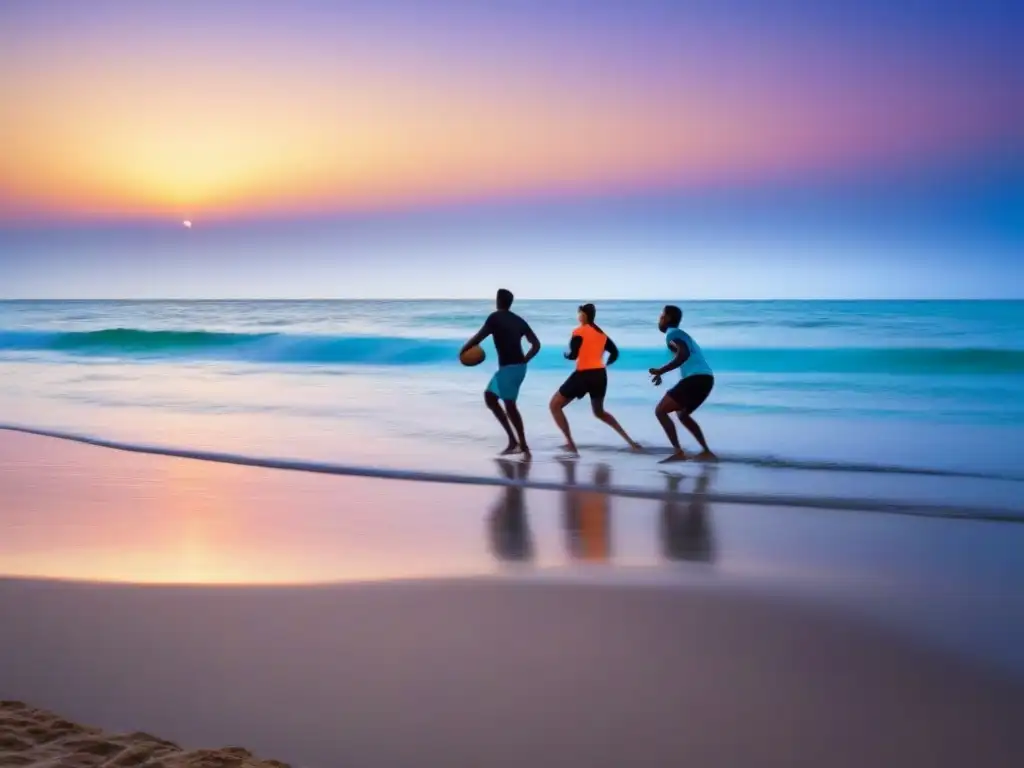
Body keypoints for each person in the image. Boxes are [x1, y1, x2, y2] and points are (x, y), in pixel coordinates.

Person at [549, 303, 640, 455]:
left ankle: (570, 444)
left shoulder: (578, 331)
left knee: (554, 405)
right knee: (599, 412)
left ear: (584, 315)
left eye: (579, 314)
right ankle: (631, 442)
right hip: (600, 375)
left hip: (583, 375)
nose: (578, 316)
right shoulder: (602, 334)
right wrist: (605, 363)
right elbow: (615, 352)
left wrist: (567, 355)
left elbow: (574, 355)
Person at [460, 288, 541, 456]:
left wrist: (463, 350)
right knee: (494, 399)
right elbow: (536, 345)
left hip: (509, 369)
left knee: (506, 404)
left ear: (498, 301)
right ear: (510, 303)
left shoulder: (495, 318)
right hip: (518, 368)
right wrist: (525, 360)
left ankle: (519, 444)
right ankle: (517, 443)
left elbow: (478, 338)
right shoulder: (519, 320)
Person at [649, 304, 716, 462]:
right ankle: (706, 452)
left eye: (662, 316)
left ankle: (679, 452)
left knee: (660, 411)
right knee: (683, 415)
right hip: (706, 379)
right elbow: (684, 354)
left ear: (668, 319)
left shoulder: (672, 334)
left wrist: (661, 371)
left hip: (696, 378)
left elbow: (683, 354)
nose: (659, 319)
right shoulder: (683, 334)